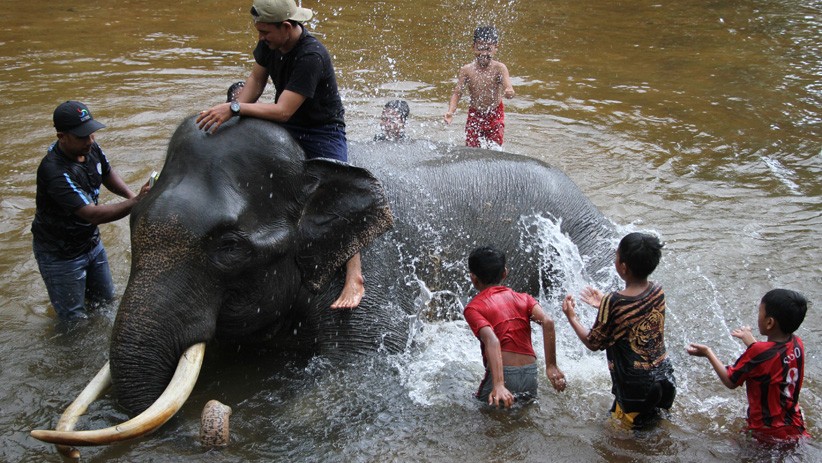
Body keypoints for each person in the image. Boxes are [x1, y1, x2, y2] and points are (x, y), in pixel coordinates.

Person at [196, 0, 362, 310]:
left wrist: (233, 107)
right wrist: (233, 121)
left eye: (265, 32)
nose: (261, 38)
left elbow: (284, 111)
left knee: (338, 191)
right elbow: (256, 82)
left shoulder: (311, 55)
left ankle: (355, 275)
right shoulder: (270, 44)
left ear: (286, 28)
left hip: (320, 129)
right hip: (284, 123)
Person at [32, 101, 150, 322]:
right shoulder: (54, 171)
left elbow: (107, 173)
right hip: (61, 255)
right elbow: (92, 214)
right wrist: (137, 203)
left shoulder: (90, 148)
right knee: (74, 321)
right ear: (61, 136)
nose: (90, 141)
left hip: (91, 244)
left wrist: (132, 196)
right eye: (81, 137)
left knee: (105, 304)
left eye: (91, 134)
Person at [562, 232, 676, 427]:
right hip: (665, 378)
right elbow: (638, 313)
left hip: (636, 388)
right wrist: (604, 306)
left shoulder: (614, 302)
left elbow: (593, 343)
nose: (615, 257)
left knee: (622, 441)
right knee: (655, 429)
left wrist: (572, 317)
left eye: (617, 255)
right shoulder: (657, 289)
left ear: (623, 267)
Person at [687, 289, 810, 445]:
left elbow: (730, 380)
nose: (758, 315)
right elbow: (772, 359)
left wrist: (708, 353)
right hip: (795, 425)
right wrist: (752, 343)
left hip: (767, 433)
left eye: (760, 311)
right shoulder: (797, 343)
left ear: (770, 322)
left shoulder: (758, 352)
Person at [463, 246, 566, 408]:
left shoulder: (474, 308)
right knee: (522, 418)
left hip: (504, 376)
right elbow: (548, 322)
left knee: (481, 415)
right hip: (530, 373)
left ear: (473, 278)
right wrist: (551, 366)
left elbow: (492, 340)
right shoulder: (524, 299)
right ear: (505, 273)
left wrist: (498, 384)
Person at [444, 25, 514, 148]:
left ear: (495, 48)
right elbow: (457, 93)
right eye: (480, 48)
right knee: (471, 148)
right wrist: (450, 112)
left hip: (495, 113)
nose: (484, 53)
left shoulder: (499, 68)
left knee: (494, 148)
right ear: (473, 47)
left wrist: (509, 92)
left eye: (488, 49)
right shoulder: (467, 70)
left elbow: (509, 88)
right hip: (475, 114)